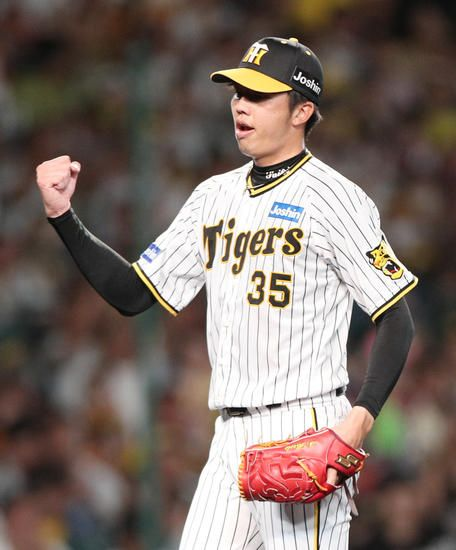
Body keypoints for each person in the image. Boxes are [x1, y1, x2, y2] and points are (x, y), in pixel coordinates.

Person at [36, 37, 417, 550]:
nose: (240, 104)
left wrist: (360, 418)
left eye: (259, 95)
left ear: (302, 110)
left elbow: (396, 316)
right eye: (238, 92)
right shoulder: (212, 197)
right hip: (230, 437)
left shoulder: (335, 199)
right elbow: (132, 293)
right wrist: (63, 216)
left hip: (305, 426)